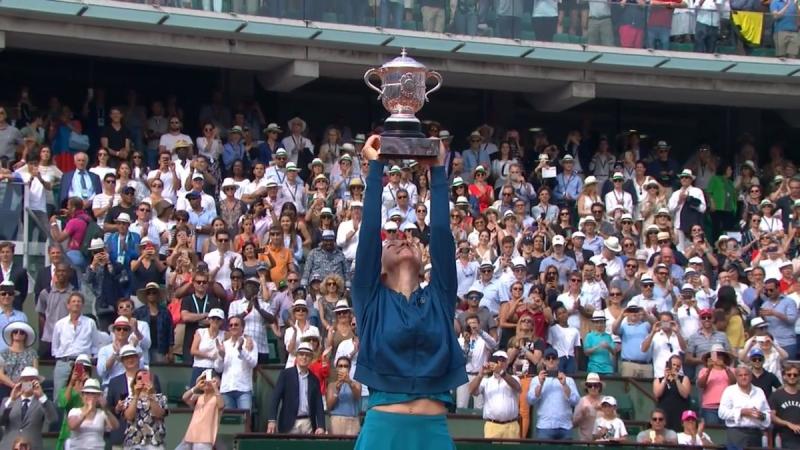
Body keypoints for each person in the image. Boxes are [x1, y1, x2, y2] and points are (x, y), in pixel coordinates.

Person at [350, 136, 465, 450]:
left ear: (423, 255)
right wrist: (376, 169)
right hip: (383, 433)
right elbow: (369, 235)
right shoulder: (369, 298)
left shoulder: (440, 297)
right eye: (391, 241)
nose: (401, 239)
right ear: (380, 267)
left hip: (433, 433)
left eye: (411, 239)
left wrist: (438, 172)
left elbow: (441, 235)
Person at [266, 342, 326, 434]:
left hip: (308, 423)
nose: (304, 357)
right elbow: (275, 398)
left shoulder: (314, 380)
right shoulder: (286, 375)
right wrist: (272, 420)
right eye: (301, 354)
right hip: (289, 423)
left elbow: (319, 404)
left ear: (311, 359)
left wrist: (321, 426)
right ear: (297, 357)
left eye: (307, 355)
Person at [526, 347, 580, 440]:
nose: (551, 360)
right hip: (545, 426)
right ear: (543, 361)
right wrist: (540, 384)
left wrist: (565, 385)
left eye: (553, 358)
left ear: (558, 361)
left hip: (565, 426)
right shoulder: (536, 380)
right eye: (548, 358)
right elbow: (531, 400)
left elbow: (575, 401)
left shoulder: (569, 380)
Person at [0, 366, 58, 450]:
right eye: (25, 380)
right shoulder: (7, 401)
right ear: (20, 382)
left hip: (33, 446)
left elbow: (53, 419)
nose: (28, 383)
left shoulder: (42, 402)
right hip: (9, 446)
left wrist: (42, 396)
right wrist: (12, 399)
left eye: (32, 380)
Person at [467, 350, 520, 439]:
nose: (500, 363)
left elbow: (517, 387)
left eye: (503, 360)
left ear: (507, 363)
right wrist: (480, 375)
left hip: (511, 426)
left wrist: (501, 372)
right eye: (497, 360)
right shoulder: (486, 381)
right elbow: (471, 390)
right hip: (492, 426)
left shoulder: (514, 378)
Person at [718, 365, 771, 449]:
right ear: (736, 377)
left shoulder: (759, 391)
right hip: (736, 433)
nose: (743, 377)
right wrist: (741, 412)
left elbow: (767, 414)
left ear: (751, 376)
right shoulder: (729, 391)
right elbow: (722, 413)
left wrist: (761, 415)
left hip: (755, 434)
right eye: (740, 375)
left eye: (746, 375)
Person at [215, 315, 257, 410]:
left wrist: (241, 350)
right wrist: (221, 356)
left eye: (236, 325)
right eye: (231, 325)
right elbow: (218, 368)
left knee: (245, 421)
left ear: (242, 327)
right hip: (226, 389)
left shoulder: (250, 342)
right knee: (229, 423)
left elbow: (253, 363)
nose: (233, 327)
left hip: (243, 389)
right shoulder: (224, 344)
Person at [66, 378, 118, 450]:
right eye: (87, 393)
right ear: (82, 396)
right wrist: (88, 410)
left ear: (98, 397)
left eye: (93, 393)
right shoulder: (74, 411)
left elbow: (115, 426)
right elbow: (72, 426)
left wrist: (105, 409)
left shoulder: (102, 413)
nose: (90, 396)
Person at [122, 369, 169, 449]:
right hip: (134, 442)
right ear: (135, 382)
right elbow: (129, 416)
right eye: (139, 378)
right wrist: (136, 395)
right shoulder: (129, 399)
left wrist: (150, 395)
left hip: (155, 443)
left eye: (146, 378)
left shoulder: (160, 398)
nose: (142, 381)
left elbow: (159, 414)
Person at [179, 370, 224, 450]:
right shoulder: (198, 397)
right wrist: (196, 387)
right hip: (190, 435)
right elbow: (184, 398)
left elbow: (221, 405)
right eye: (204, 380)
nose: (206, 382)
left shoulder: (217, 398)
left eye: (208, 379)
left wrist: (215, 387)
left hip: (205, 438)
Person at [56, 354, 92, 450]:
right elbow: (63, 403)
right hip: (68, 431)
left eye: (86, 369)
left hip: (86, 430)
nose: (82, 371)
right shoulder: (65, 390)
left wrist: (87, 385)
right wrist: (72, 383)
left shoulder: (92, 391)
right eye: (79, 368)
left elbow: (91, 406)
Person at [653, 355, 691, 432]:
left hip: (679, 414)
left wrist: (677, 380)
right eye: (674, 365)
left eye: (678, 366)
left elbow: (685, 394)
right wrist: (665, 379)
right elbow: (657, 394)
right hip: (664, 414)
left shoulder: (684, 379)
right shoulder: (658, 380)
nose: (675, 367)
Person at [326, 356, 362, 436]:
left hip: (353, 420)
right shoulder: (332, 385)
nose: (343, 368)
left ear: (349, 368)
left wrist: (349, 382)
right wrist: (337, 391)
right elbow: (329, 406)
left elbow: (357, 397)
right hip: (336, 420)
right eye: (340, 366)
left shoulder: (356, 384)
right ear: (337, 368)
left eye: (346, 366)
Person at [770, 362, 800, 448]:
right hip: (783, 437)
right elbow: (772, 416)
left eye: (795, 375)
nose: (792, 377)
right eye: (789, 374)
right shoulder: (776, 395)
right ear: (784, 376)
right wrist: (788, 424)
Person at [573, 373, 605, 441]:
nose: (593, 388)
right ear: (586, 387)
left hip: (603, 441)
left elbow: (615, 418)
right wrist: (582, 415)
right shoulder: (581, 401)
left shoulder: (605, 400)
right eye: (590, 385)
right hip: (585, 441)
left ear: (599, 387)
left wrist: (603, 409)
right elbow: (574, 424)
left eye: (596, 385)